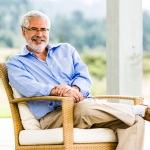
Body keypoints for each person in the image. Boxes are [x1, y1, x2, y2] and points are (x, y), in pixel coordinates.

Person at [6, 11, 149, 150]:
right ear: (24, 32)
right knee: (86, 108)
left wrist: (74, 90)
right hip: (54, 117)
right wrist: (58, 91)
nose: (39, 34)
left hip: (86, 107)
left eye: (43, 29)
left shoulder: (66, 50)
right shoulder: (15, 62)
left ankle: (137, 113)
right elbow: (28, 87)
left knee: (136, 122)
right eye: (34, 29)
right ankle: (137, 110)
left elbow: (84, 77)